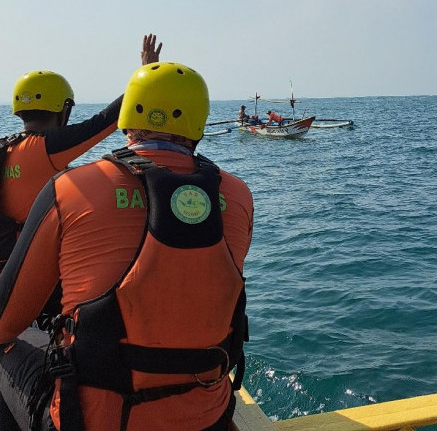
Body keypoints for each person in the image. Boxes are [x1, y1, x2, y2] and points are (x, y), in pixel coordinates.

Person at [0, 62, 253, 430]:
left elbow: (5, 322)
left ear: (127, 117)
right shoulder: (238, 194)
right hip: (208, 417)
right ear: (198, 124)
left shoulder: (70, 188)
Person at [0, 34, 162, 269]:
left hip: (8, 260)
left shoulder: (9, 146)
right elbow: (105, 121)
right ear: (63, 109)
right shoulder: (47, 147)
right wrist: (146, 75)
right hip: (31, 264)